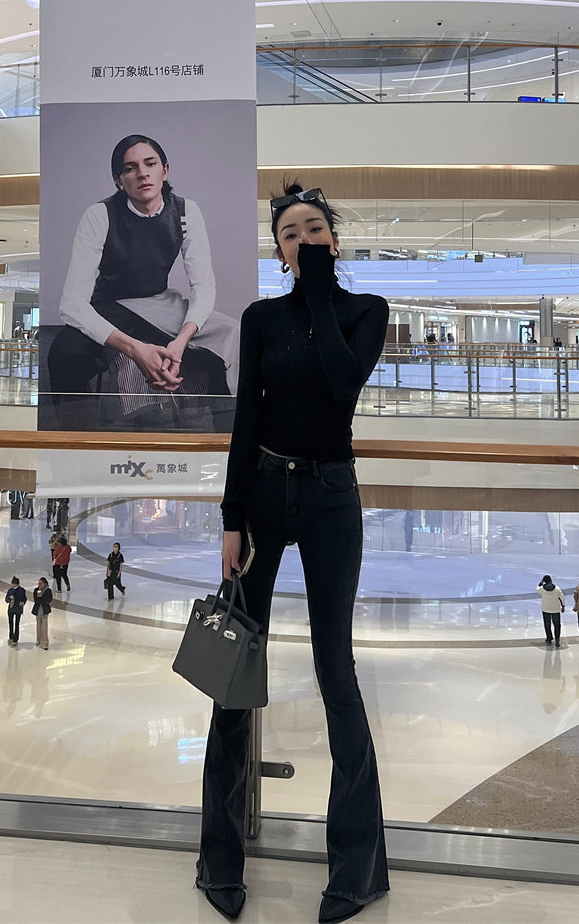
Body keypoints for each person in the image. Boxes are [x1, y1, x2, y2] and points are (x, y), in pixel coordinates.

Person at [196, 184, 389, 924]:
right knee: (235, 668)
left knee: (335, 670)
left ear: (332, 239)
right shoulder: (260, 318)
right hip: (266, 494)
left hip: (333, 496)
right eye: (288, 233)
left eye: (313, 229)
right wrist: (232, 518)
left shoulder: (365, 310)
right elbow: (247, 418)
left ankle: (358, 869)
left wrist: (318, 289)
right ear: (277, 250)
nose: (302, 239)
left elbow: (342, 384)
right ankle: (219, 859)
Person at [47, 134, 239, 426]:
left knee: (231, 336)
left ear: (165, 170)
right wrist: (135, 350)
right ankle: (76, 444)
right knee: (65, 354)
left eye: (150, 164)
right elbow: (72, 304)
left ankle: (227, 438)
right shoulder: (99, 215)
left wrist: (181, 341)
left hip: (161, 303)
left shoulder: (186, 211)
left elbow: (203, 286)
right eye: (130, 168)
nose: (142, 173)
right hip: (110, 306)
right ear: (118, 180)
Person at [537, 574, 565, 648]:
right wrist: (563, 606)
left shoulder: (542, 589)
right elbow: (562, 597)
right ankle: (557, 639)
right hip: (555, 609)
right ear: (551, 580)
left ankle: (549, 638)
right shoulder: (557, 588)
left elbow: (537, 588)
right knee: (557, 625)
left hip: (545, 609)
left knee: (547, 624)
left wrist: (541, 582)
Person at [5, 576, 27, 647]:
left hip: (18, 609)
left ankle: (15, 639)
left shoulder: (22, 590)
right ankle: (11, 637)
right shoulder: (10, 590)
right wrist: (9, 599)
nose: (13, 585)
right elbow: (6, 599)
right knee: (10, 623)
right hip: (11, 609)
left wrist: (23, 603)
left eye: (14, 584)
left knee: (17, 624)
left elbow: (24, 598)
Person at [31, 577, 53, 649]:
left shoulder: (48, 591)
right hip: (37, 610)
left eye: (41, 583)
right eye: (38, 583)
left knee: (44, 627)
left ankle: (45, 642)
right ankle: (38, 640)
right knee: (38, 626)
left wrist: (41, 599)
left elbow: (49, 599)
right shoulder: (36, 590)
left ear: (45, 584)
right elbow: (36, 600)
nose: (39, 585)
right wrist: (39, 597)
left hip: (44, 611)